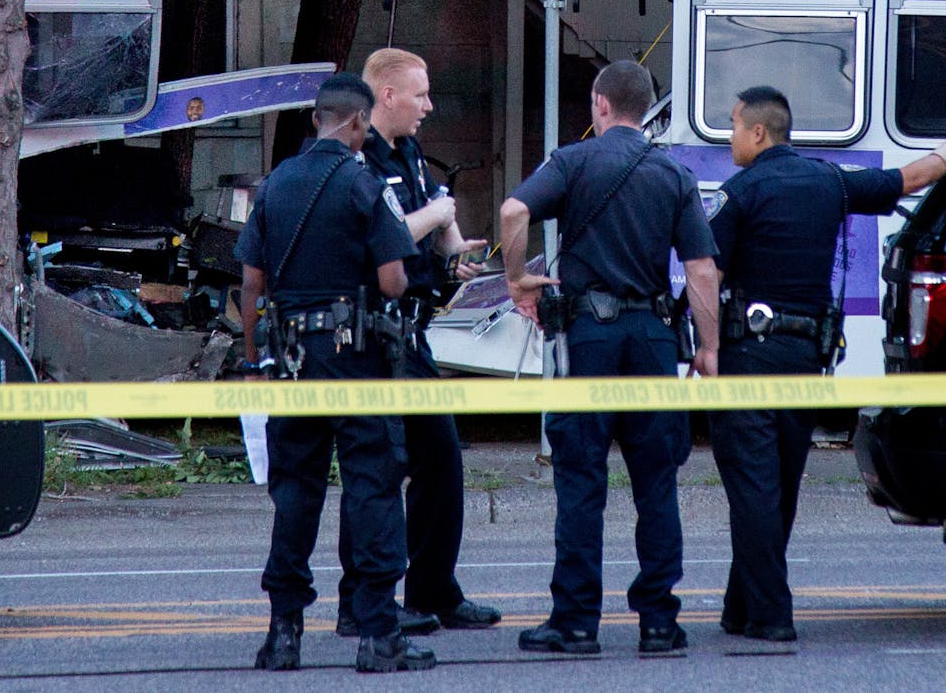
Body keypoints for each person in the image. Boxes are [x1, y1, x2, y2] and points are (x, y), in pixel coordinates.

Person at [703, 86, 946, 643]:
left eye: (735, 125)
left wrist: (708, 347)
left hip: (748, 357)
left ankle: (769, 614)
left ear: (759, 132)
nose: (731, 135)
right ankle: (741, 607)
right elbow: (909, 179)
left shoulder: (738, 193)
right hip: (806, 359)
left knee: (752, 487)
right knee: (779, 487)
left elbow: (709, 274)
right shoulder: (829, 182)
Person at [499, 59, 721, 656]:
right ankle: (658, 621)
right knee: (656, 480)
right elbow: (701, 269)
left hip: (587, 340)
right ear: (645, 107)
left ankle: (574, 622)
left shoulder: (572, 161)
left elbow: (514, 212)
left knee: (580, 477)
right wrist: (709, 349)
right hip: (652, 336)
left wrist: (518, 278)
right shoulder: (672, 175)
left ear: (600, 104)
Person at [234, 73, 434, 674]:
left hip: (292, 362)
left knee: (294, 493)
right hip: (358, 357)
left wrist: (253, 363)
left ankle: (282, 635)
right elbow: (396, 279)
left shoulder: (273, 187)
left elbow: (251, 285)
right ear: (352, 123)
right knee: (372, 487)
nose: (367, 133)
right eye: (366, 125)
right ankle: (379, 636)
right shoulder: (363, 182)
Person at [331, 47, 500, 639]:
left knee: (440, 460)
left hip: (411, 334)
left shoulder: (410, 153)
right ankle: (362, 601)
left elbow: (424, 240)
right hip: (369, 337)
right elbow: (392, 231)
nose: (429, 105)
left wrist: (454, 262)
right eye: (421, 94)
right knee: (376, 470)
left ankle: (433, 590)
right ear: (387, 96)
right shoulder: (359, 158)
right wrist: (438, 213)